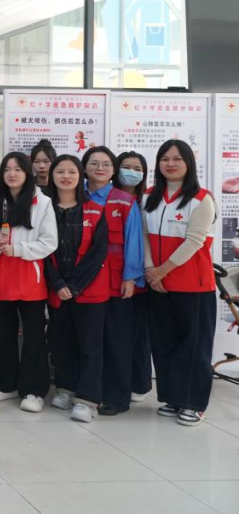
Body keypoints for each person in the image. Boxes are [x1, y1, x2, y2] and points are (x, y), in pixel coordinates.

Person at [143, 140, 217, 426]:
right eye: (165, 159)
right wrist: (150, 270)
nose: (170, 164)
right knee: (164, 343)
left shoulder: (202, 198)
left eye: (177, 159)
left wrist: (161, 271)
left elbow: (194, 241)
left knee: (194, 346)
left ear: (189, 163)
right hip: (158, 283)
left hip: (193, 286)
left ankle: (194, 403)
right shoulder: (149, 196)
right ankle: (172, 398)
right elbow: (144, 236)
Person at [0, 151, 57, 413]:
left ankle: (34, 390)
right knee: (4, 334)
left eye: (17, 169)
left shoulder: (43, 202)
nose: (11, 174)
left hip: (30, 277)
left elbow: (49, 242)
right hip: (3, 275)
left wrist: (18, 249)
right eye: (7, 169)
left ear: (28, 173)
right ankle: (8, 384)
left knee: (34, 336)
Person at [44, 155, 110, 423]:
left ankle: (87, 399)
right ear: (52, 176)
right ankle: (65, 388)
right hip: (56, 289)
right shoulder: (44, 209)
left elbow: (98, 252)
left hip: (89, 290)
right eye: (60, 171)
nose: (66, 176)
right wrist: (58, 284)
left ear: (80, 175)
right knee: (61, 341)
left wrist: (74, 286)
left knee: (90, 345)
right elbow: (42, 250)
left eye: (71, 171)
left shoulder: (95, 209)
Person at [82, 145, 145, 416]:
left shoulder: (124, 200)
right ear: (84, 167)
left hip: (116, 281)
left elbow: (134, 241)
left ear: (113, 170)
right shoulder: (75, 196)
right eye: (94, 163)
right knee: (88, 341)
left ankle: (117, 398)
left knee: (117, 340)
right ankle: (87, 392)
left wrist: (131, 276)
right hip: (84, 282)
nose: (100, 168)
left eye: (106, 164)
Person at [115, 150, 153, 403]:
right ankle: (120, 380)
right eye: (126, 167)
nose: (132, 172)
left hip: (144, 277)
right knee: (118, 333)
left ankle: (140, 383)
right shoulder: (107, 197)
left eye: (137, 168)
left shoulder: (150, 200)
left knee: (140, 333)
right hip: (114, 276)